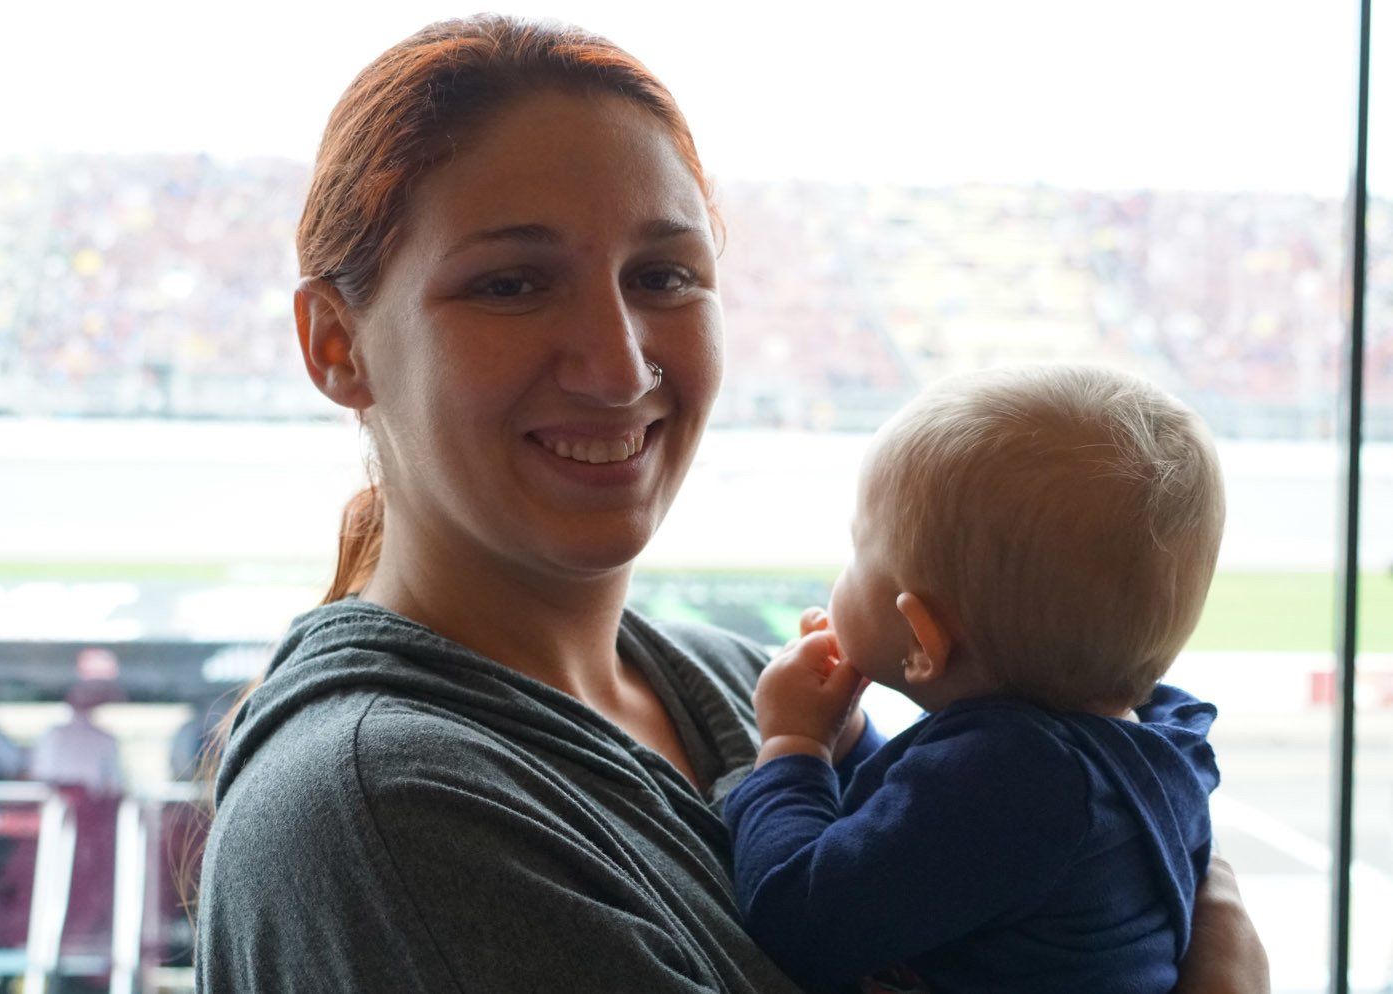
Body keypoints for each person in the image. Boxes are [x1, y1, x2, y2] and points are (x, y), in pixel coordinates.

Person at [194, 16, 1269, 993]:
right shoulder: (387, 814)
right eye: (511, 283)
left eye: (663, 276)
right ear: (337, 345)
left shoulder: (719, 672)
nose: (617, 368)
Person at [725, 365, 1229, 993]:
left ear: (921, 641)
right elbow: (918, 836)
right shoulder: (1138, 749)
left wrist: (792, 749)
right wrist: (852, 745)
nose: (845, 568)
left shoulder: (1019, 784)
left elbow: (798, 915)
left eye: (858, 550)